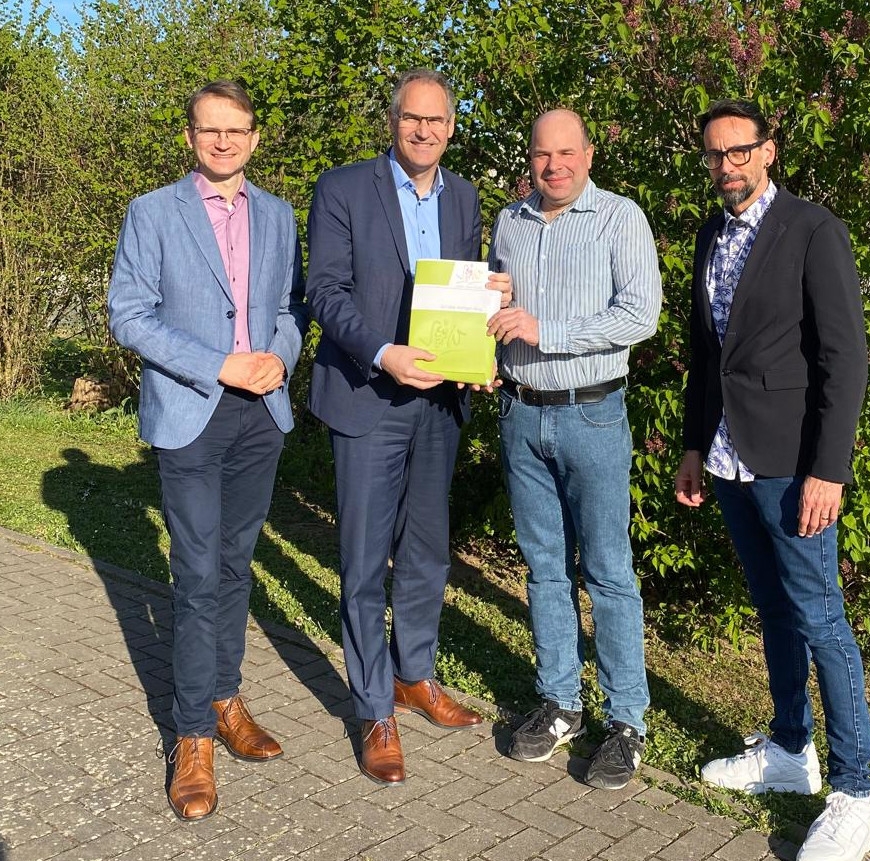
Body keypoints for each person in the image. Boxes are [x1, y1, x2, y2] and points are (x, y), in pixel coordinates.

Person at [673, 99, 870, 860]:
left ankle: (855, 792)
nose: (726, 166)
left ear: (768, 151)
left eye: (739, 151)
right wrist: (695, 445)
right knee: (774, 608)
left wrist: (829, 468)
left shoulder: (811, 230)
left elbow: (843, 358)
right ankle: (791, 749)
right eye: (715, 155)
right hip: (728, 458)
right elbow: (706, 352)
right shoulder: (708, 234)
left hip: (792, 464)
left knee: (820, 616)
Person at [108, 80, 307, 821]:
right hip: (191, 411)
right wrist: (218, 364)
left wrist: (277, 359)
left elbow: (291, 308)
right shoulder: (153, 212)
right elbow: (129, 313)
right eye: (209, 129)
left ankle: (225, 695)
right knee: (194, 574)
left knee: (233, 564)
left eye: (237, 130)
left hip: (262, 413)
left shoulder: (281, 215)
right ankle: (191, 734)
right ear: (190, 135)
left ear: (255, 137)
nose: (224, 141)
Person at [306, 69, 511, 785]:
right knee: (363, 561)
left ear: (452, 127)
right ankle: (372, 707)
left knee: (426, 551)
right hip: (368, 395)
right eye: (411, 119)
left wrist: (491, 298)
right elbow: (324, 292)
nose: (424, 131)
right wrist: (383, 351)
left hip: (437, 405)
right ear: (392, 122)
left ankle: (412, 674)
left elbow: (458, 286)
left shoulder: (463, 195)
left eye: (437, 121)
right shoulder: (343, 188)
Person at [487, 109, 662, 790]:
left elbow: (638, 315)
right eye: (540, 154)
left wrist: (543, 329)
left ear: (588, 153)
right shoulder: (509, 221)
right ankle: (561, 700)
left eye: (565, 152)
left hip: (591, 414)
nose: (553, 165)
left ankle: (627, 720)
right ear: (528, 158)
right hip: (521, 414)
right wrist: (486, 338)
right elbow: (500, 311)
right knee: (543, 567)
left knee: (609, 571)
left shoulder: (619, 218)